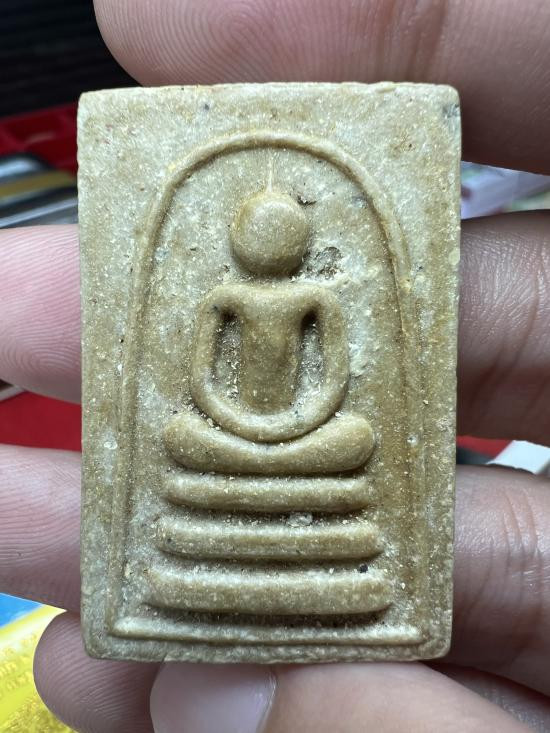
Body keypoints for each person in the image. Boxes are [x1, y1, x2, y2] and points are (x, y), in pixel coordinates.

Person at [1, 1, 550, 731]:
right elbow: (202, 377)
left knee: (356, 437)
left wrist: (302, 421)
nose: (268, 246)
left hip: (308, 430)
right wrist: (234, 419)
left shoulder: (314, 296)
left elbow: (334, 376)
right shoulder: (225, 295)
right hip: (228, 427)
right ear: (239, 240)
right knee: (179, 438)